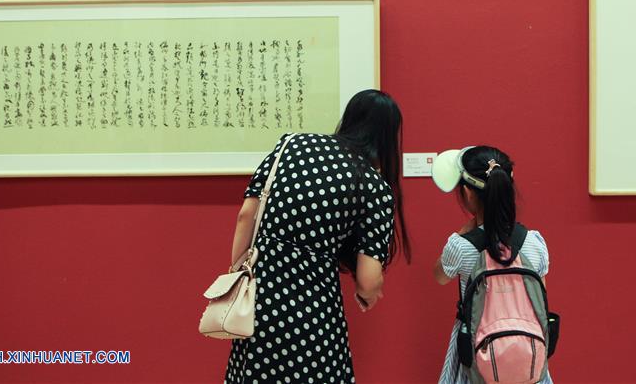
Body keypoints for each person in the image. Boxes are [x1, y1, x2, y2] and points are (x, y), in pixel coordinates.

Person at [224, 89, 410, 383]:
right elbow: (368, 280)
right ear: (388, 137)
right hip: (314, 309)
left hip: (260, 298)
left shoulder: (292, 144)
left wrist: (239, 273)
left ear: (350, 119)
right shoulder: (375, 188)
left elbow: (247, 214)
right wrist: (369, 294)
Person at [431, 146, 551, 384]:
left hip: (476, 358)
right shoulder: (534, 242)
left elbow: (439, 275)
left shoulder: (461, 247)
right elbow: (541, 302)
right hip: (526, 358)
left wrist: (461, 233)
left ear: (468, 193)